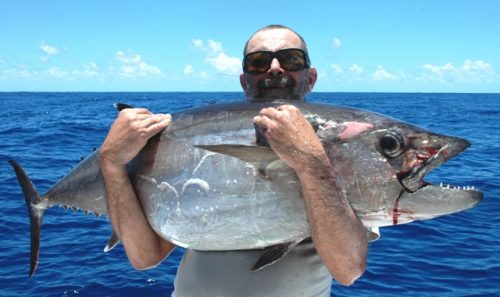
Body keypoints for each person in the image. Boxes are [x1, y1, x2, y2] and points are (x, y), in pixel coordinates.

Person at [99, 24, 368, 296]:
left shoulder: (342, 151)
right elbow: (146, 256)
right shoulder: (195, 142)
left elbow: (347, 269)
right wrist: (110, 162)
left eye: (291, 59)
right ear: (244, 81)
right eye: (259, 62)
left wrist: (311, 162)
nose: (275, 68)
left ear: (310, 78)